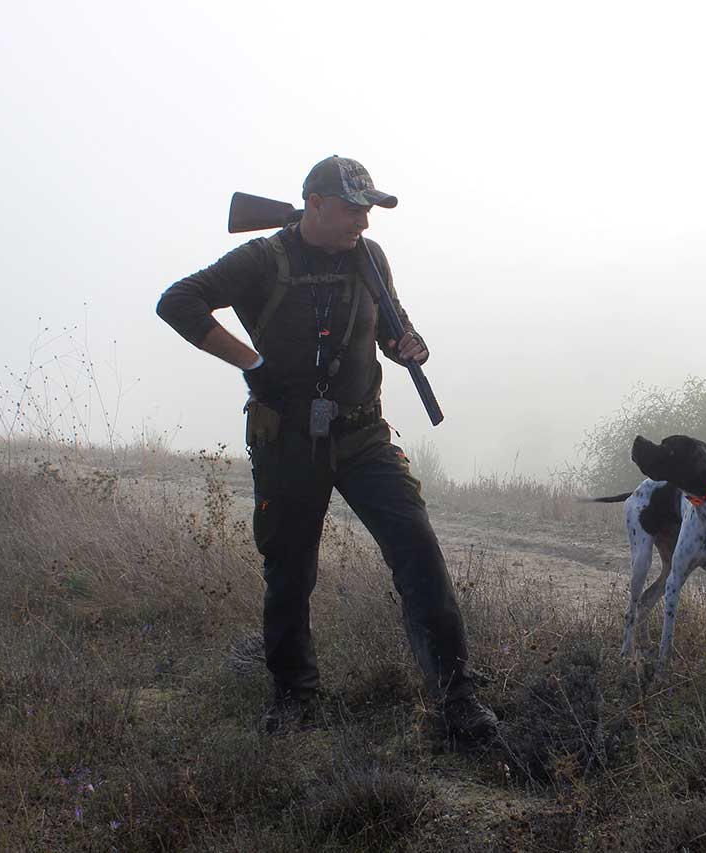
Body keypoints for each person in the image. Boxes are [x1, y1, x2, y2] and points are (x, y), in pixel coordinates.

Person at [156, 155, 498, 740]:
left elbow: (390, 326)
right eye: (352, 208)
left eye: (368, 209)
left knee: (418, 551)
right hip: (287, 437)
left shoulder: (369, 257)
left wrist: (405, 342)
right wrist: (251, 361)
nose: (363, 222)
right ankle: (293, 697)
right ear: (313, 203)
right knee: (289, 572)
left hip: (364, 434)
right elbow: (177, 302)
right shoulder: (263, 259)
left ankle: (456, 698)